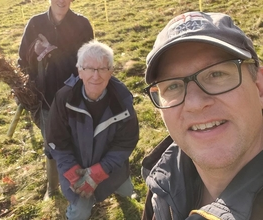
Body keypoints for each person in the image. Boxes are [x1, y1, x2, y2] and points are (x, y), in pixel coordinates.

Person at [141, 11, 263, 220]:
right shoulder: (162, 181)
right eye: (173, 86)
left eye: (216, 74)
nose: (195, 104)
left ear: (259, 86)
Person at [46, 40, 139, 220]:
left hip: (110, 167)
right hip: (76, 167)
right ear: (80, 71)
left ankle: (123, 192)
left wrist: (100, 171)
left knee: (125, 190)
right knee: (80, 212)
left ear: (111, 71)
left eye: (102, 69)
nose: (95, 76)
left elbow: (126, 142)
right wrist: (73, 173)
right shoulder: (64, 98)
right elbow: (56, 141)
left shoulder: (122, 101)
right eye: (89, 69)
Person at [17, 0, 94, 200]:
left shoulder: (82, 25)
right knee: (51, 142)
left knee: (78, 139)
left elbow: (87, 62)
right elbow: (22, 62)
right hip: (45, 98)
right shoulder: (35, 24)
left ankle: (83, 181)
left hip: (75, 97)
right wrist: (26, 84)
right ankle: (53, 188)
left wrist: (54, 52)